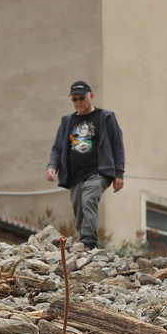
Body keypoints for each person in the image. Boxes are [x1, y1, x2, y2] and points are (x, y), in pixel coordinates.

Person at [46, 81, 125, 250]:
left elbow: (117, 145)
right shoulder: (67, 121)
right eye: (75, 99)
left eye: (82, 98)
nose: (79, 102)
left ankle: (89, 243)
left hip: (99, 173)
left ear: (91, 96)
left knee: (89, 200)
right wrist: (52, 166)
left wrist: (119, 174)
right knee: (79, 209)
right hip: (74, 175)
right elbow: (57, 148)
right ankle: (84, 245)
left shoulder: (105, 117)